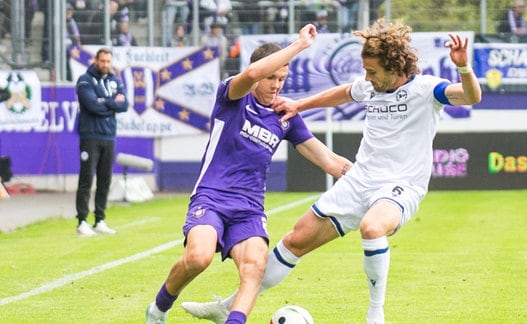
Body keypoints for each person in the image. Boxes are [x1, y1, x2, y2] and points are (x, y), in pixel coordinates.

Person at [182, 18, 482, 324]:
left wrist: (463, 67)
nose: (367, 77)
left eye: (372, 71)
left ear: (393, 68)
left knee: (373, 227)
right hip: (359, 181)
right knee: (296, 240)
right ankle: (228, 307)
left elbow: (471, 96)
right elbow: (344, 93)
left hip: (400, 185)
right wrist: (300, 105)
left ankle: (375, 315)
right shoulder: (371, 86)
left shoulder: (427, 89)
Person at [145, 24, 353, 324]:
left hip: (249, 208)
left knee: (255, 267)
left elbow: (330, 161)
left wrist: (370, 181)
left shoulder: (285, 117)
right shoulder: (232, 96)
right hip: (212, 196)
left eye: (282, 78)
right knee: (199, 257)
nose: (276, 85)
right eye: (272, 77)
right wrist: (299, 45)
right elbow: (252, 74)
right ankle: (159, 308)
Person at [75, 48, 129, 236]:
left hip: (109, 136)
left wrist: (104, 102)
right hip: (90, 135)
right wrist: (112, 103)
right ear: (96, 61)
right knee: (86, 179)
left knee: (104, 180)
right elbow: (91, 105)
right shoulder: (85, 80)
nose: (105, 65)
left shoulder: (114, 80)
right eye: (102, 61)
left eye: (108, 61)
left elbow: (124, 105)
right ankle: (82, 221)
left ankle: (100, 220)